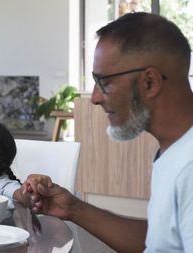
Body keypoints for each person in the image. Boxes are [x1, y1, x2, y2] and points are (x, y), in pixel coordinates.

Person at [23, 12, 193, 252]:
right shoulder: (175, 149)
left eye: (104, 81)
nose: (95, 98)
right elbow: (161, 239)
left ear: (150, 82)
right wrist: (73, 208)